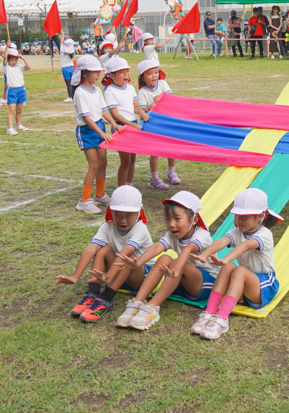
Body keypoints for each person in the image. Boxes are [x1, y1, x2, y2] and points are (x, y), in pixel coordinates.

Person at [116, 191, 220, 330]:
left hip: (205, 284)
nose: (171, 224)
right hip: (179, 280)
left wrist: (176, 269)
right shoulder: (171, 234)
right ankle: (138, 302)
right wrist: (138, 262)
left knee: (177, 260)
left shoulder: (202, 235)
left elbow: (188, 249)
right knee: (165, 257)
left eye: (177, 219)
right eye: (167, 219)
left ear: (194, 220)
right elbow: (158, 246)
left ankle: (153, 307)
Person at [189, 188, 282, 339]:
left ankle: (222, 319)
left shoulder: (265, 234)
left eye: (244, 216)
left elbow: (245, 246)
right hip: (244, 286)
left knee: (238, 270)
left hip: (265, 285)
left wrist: (226, 258)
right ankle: (209, 312)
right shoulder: (237, 231)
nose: (239, 219)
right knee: (229, 267)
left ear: (260, 216)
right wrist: (205, 254)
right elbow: (222, 241)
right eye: (237, 215)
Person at [57, 185, 153, 323]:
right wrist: (75, 276)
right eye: (117, 214)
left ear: (140, 211)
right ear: (110, 209)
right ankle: (92, 293)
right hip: (118, 274)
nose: (122, 220)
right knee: (102, 249)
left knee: (129, 257)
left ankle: (107, 298)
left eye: (129, 215)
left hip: (140, 277)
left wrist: (108, 278)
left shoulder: (140, 229)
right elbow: (91, 248)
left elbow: (125, 253)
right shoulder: (107, 226)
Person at [72, 55, 122, 214]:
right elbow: (87, 118)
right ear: (84, 73)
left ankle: (100, 194)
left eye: (98, 71)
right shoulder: (80, 92)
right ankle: (84, 200)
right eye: (94, 72)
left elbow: (103, 109)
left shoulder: (97, 90)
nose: (98, 75)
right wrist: (101, 132)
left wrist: (113, 124)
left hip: (100, 127)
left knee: (103, 163)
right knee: (93, 165)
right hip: (87, 131)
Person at [136, 59, 179, 190]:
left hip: (167, 121)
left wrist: (161, 99)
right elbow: (142, 110)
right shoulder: (142, 92)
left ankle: (171, 172)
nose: (154, 76)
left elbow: (170, 98)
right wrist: (150, 107)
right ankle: (154, 178)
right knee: (154, 151)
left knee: (171, 147)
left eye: (156, 72)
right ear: (142, 77)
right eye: (149, 74)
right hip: (153, 125)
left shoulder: (163, 84)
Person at [103, 56, 146, 187]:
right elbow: (115, 115)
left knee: (133, 160)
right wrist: (132, 125)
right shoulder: (110, 91)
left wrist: (142, 112)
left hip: (134, 125)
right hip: (121, 128)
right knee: (125, 161)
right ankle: (121, 189)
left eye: (127, 71)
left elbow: (135, 106)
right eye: (121, 72)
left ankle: (129, 185)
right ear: (112, 75)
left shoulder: (130, 88)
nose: (126, 75)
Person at [0, 46, 31, 135]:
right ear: (8, 61)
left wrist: (23, 57)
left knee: (19, 110)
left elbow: (28, 67)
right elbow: (5, 58)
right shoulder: (7, 68)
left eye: (15, 60)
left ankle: (18, 124)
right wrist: (6, 47)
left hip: (21, 89)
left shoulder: (19, 67)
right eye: (12, 60)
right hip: (12, 90)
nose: (14, 62)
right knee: (11, 110)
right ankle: (9, 128)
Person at [58, 35, 76, 101]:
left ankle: (70, 97)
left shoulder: (62, 50)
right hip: (71, 67)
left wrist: (62, 34)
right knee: (73, 83)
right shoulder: (72, 52)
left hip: (65, 68)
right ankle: (74, 96)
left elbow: (61, 41)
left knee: (68, 83)